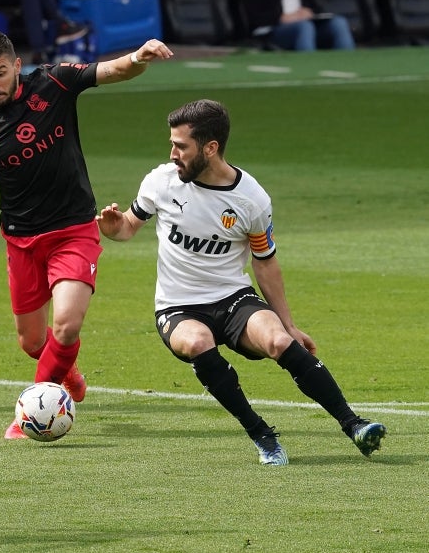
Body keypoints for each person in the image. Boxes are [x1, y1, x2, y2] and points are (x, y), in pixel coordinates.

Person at [0, 31, 173, 439]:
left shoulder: (55, 82)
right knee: (32, 342)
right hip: (21, 241)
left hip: (73, 231)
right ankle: (68, 372)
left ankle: (30, 413)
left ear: (16, 65)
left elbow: (113, 71)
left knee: (66, 326)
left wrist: (139, 56)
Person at [96, 98, 386, 465]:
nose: (173, 154)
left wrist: (289, 324)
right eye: (172, 144)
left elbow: (265, 263)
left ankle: (354, 425)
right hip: (177, 306)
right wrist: (113, 227)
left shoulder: (251, 200)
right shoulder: (161, 182)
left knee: (278, 340)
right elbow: (127, 226)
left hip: (233, 299)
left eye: (181, 146)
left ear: (210, 148)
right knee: (198, 342)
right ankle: (263, 435)